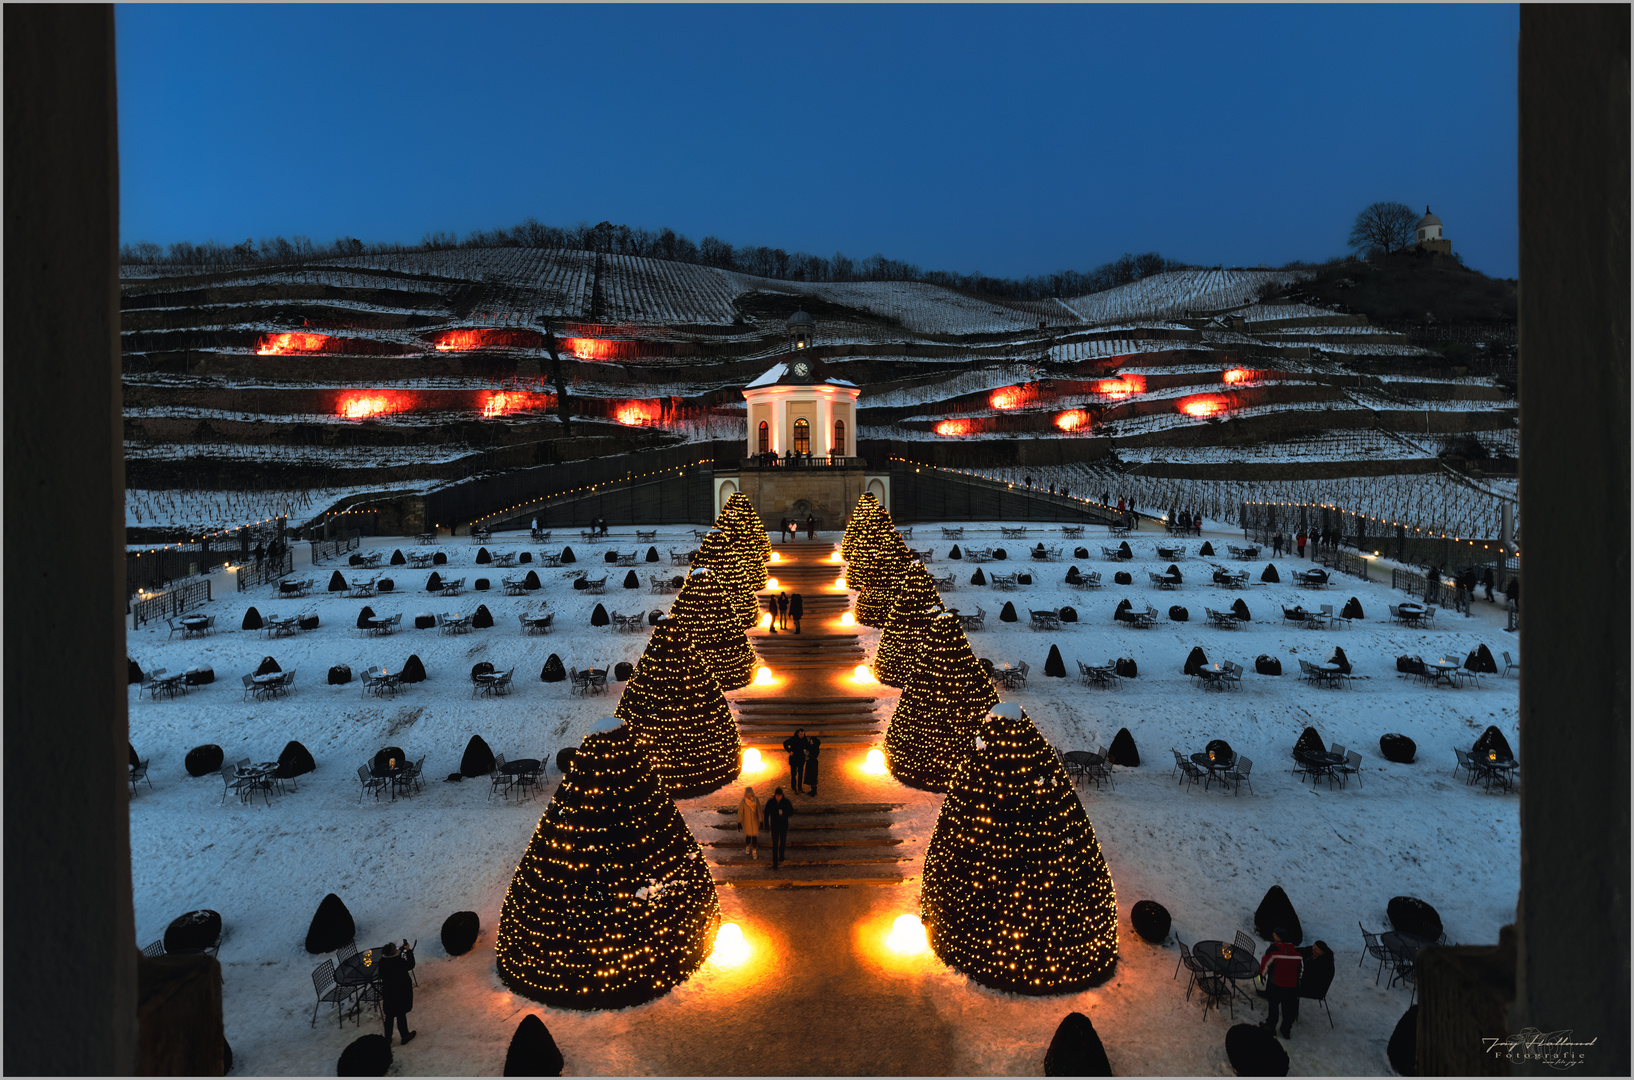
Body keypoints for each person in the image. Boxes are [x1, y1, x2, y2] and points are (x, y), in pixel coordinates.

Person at [1257, 927, 1302, 1040]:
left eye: (1275, 934)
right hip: (1291, 988)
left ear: (1279, 937)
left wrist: (1261, 975)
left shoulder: (1274, 951)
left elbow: (1265, 964)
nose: (1273, 934)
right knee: (1288, 1009)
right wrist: (1298, 983)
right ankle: (1285, 1030)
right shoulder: (1297, 953)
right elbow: (1300, 971)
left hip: (1275, 985)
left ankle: (1271, 1026)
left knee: (1274, 1006)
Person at [379, 940, 417, 1045]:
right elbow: (411, 965)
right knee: (401, 1014)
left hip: (389, 993)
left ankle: (387, 1038)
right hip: (401, 992)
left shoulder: (382, 962)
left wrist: (399, 951)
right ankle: (404, 1035)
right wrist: (408, 951)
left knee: (389, 1016)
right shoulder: (399, 962)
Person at [763, 787, 794, 869]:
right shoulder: (771, 802)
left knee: (783, 842)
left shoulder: (786, 802)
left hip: (783, 826)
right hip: (774, 826)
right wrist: (766, 824)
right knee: (775, 843)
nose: (778, 797)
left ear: (782, 795)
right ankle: (775, 862)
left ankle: (781, 856)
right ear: (775, 795)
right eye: (777, 795)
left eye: (780, 795)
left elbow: (791, 811)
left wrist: (784, 814)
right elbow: (766, 813)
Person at [738, 786, 762, 859]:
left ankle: (754, 851)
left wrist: (761, 820)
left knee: (754, 837)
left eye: (750, 794)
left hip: (755, 822)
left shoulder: (756, 800)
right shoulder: (743, 802)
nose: (749, 795)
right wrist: (739, 822)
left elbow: (759, 811)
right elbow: (740, 812)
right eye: (747, 794)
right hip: (747, 822)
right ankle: (748, 846)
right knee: (748, 836)